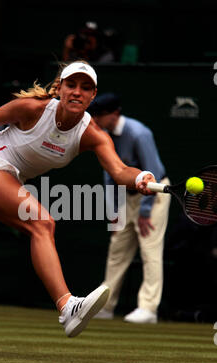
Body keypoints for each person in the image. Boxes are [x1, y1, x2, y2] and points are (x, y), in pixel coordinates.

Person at [0, 61, 156, 337]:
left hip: (5, 181)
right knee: (42, 223)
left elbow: (119, 171)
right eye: (71, 85)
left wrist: (140, 176)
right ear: (59, 88)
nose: (77, 92)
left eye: (86, 88)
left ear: (93, 95)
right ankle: (67, 306)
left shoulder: (93, 134)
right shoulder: (34, 107)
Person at [88, 93, 170, 324]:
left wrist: (145, 212)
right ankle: (105, 306)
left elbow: (152, 170)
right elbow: (109, 177)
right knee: (117, 251)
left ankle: (148, 309)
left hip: (154, 194)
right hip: (126, 197)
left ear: (114, 114)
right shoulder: (104, 136)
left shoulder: (138, 133)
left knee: (149, 250)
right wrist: (115, 214)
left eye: (99, 116)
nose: (95, 120)